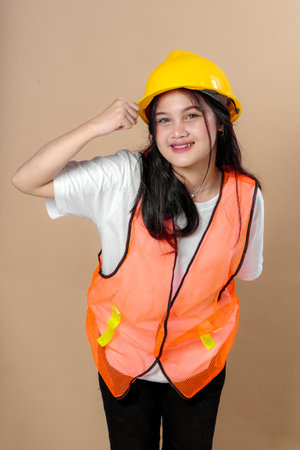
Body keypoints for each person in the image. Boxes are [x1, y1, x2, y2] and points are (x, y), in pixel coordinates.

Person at [12, 50, 264, 449]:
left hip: (198, 365)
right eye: (164, 119)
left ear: (220, 122)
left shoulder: (246, 196)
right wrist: (95, 126)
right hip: (124, 359)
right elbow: (27, 179)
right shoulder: (124, 178)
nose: (177, 130)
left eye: (192, 115)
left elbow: (244, 272)